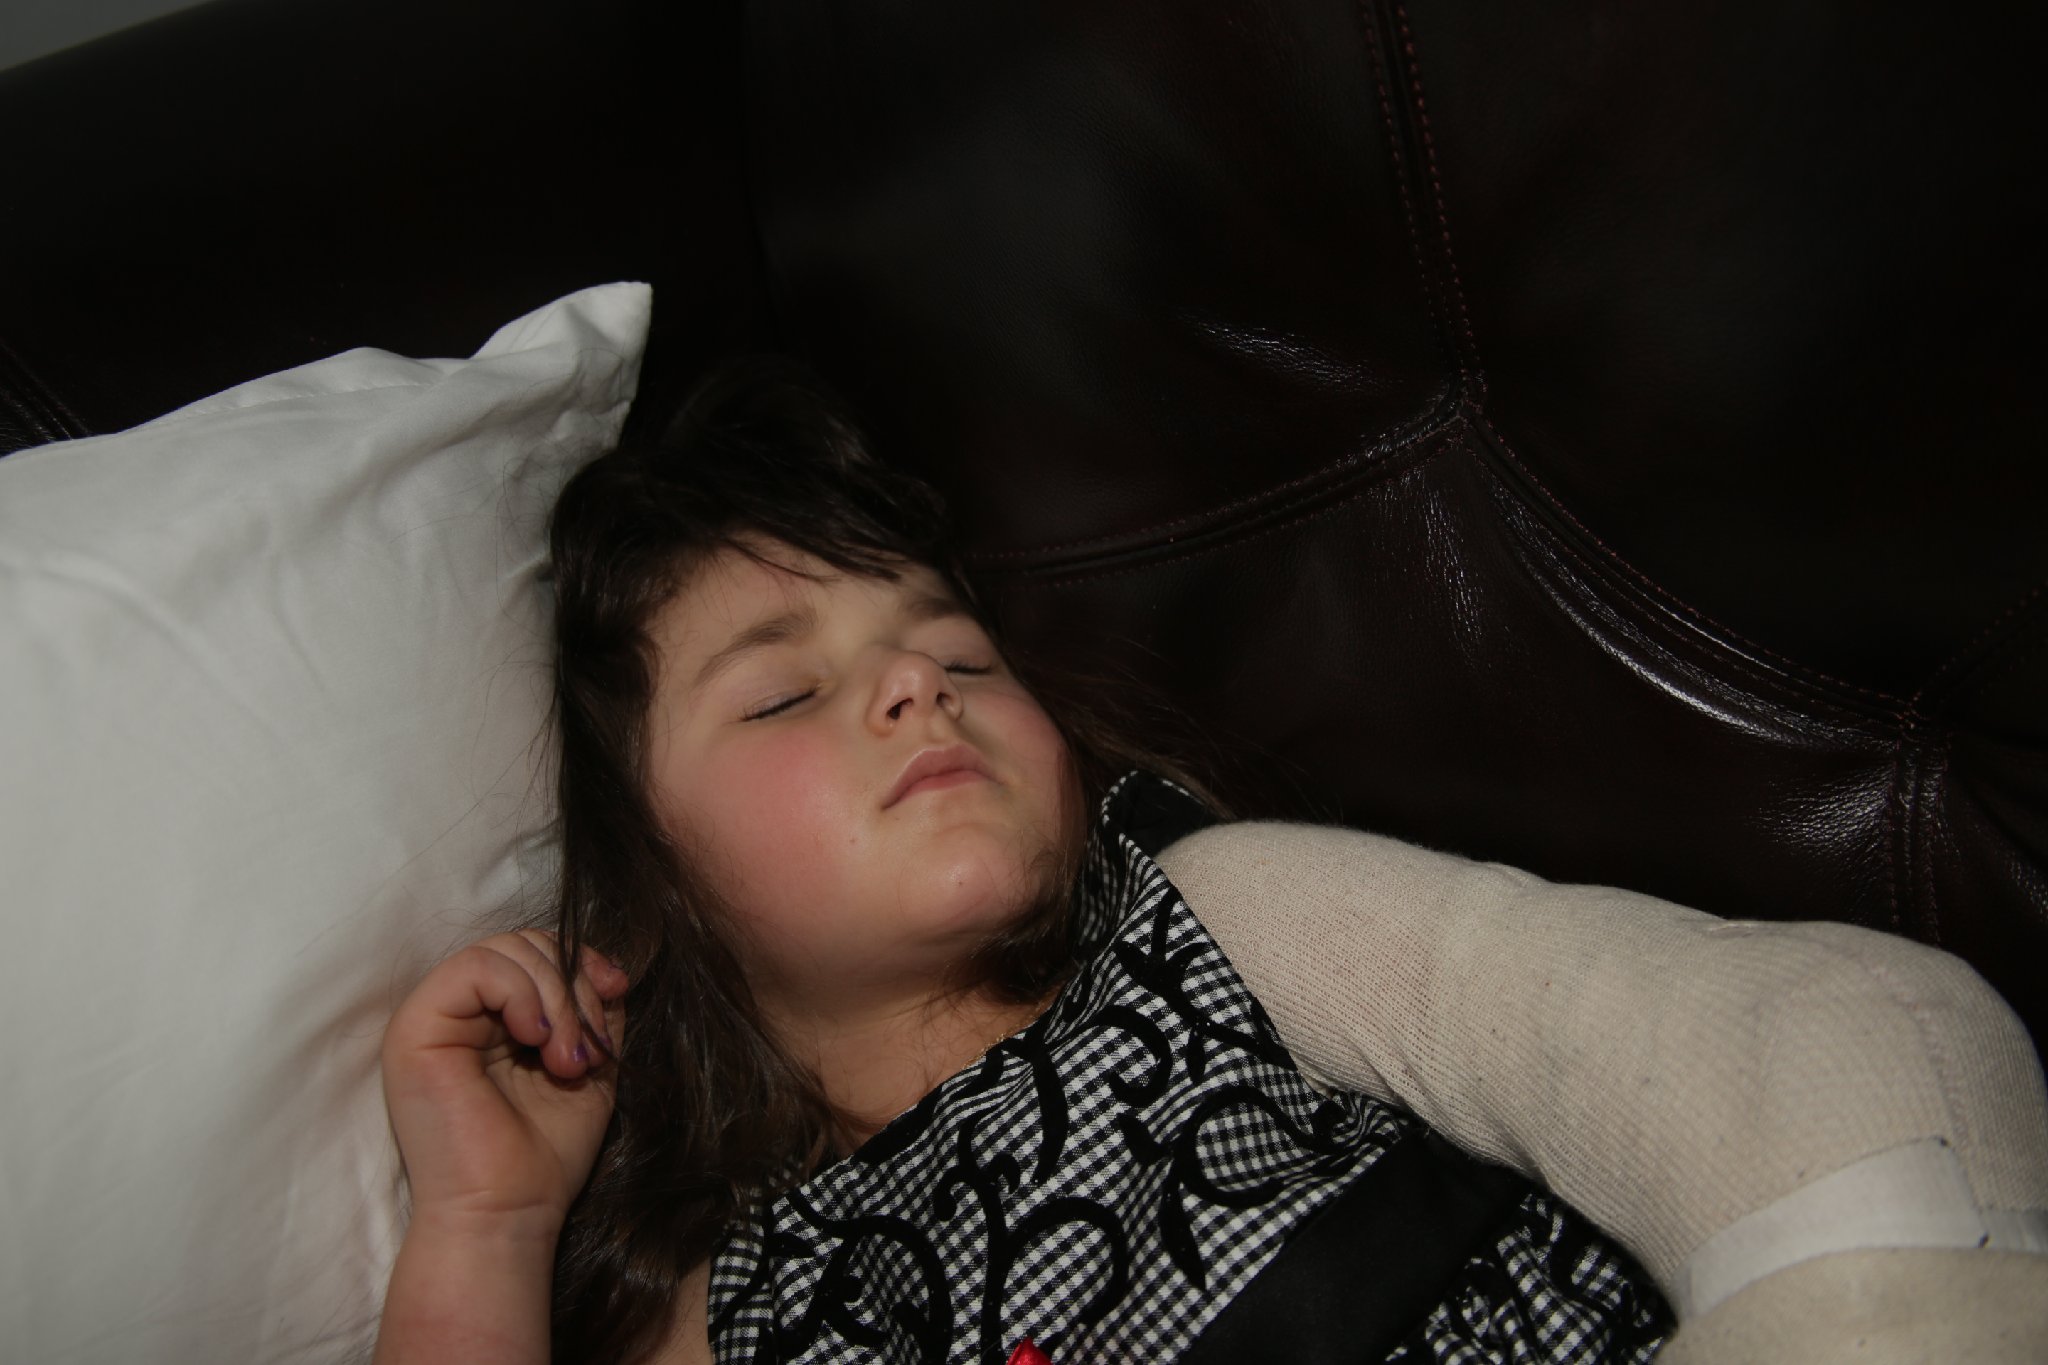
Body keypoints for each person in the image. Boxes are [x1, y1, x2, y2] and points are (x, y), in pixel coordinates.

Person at [375, 361, 2048, 1365]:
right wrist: (482, 1225)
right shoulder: (741, 1312)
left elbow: (1758, 1047)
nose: (915, 687)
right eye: (785, 693)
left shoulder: (1207, 922)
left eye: (954, 650)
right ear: (647, 890)